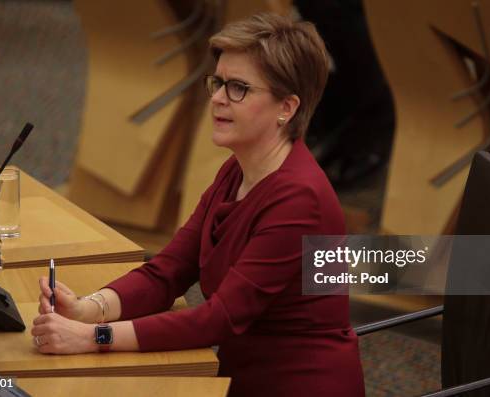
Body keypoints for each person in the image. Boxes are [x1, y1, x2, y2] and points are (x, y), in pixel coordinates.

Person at [33, 13, 365, 397]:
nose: (219, 98)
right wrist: (87, 309)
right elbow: (168, 271)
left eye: (239, 88)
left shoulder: (298, 198)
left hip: (300, 385)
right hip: (238, 374)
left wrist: (93, 337)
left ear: (286, 108)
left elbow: (218, 318)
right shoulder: (235, 171)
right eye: (218, 83)